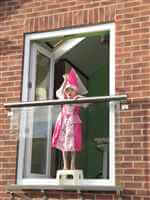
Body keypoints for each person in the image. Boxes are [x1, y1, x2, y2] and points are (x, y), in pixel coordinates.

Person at [52, 68, 88, 170]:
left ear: (75, 91)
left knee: (72, 144)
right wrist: (64, 82)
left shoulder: (77, 99)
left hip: (73, 122)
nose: (69, 92)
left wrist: (79, 97)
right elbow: (58, 93)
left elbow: (87, 104)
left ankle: (72, 164)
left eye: (71, 90)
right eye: (67, 90)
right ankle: (65, 165)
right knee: (63, 143)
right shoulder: (63, 98)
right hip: (63, 121)